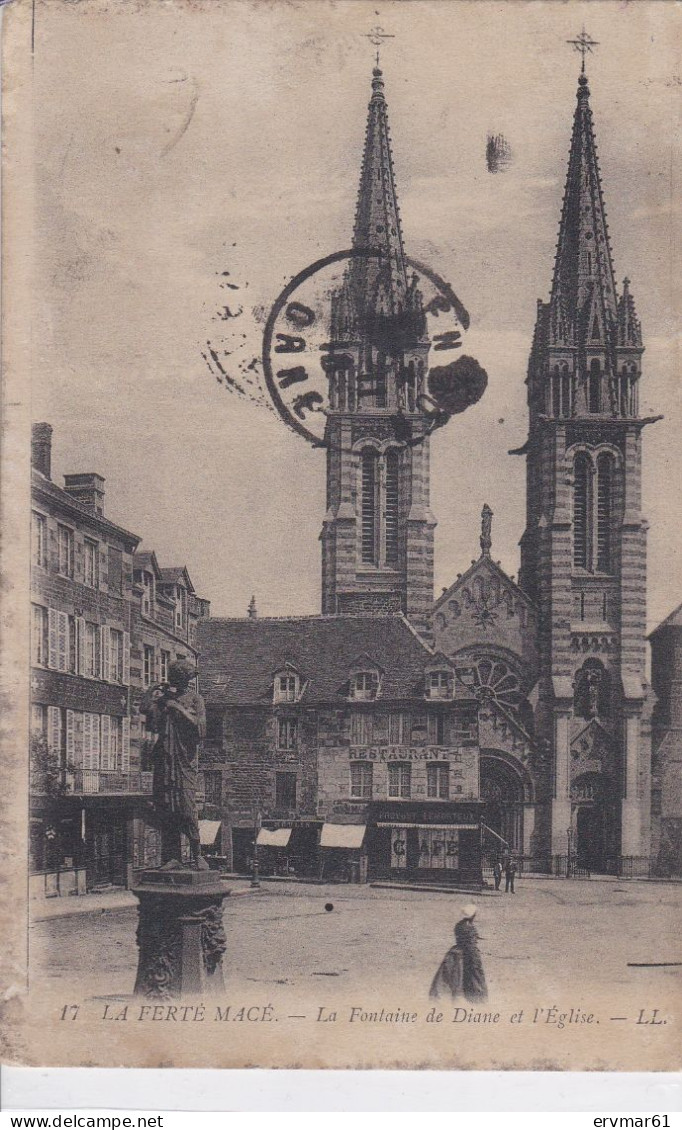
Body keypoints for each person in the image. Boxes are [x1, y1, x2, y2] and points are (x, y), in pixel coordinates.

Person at [141, 659, 207, 869]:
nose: (180, 681)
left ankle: (197, 855)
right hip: (165, 761)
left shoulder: (195, 700)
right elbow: (145, 712)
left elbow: (200, 729)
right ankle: (173, 857)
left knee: (187, 811)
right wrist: (152, 690)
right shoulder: (164, 701)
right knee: (167, 810)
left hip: (184, 762)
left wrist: (178, 708)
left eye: (182, 677)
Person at [429, 904, 488, 1003]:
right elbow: (470, 944)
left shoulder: (459, 925)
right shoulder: (470, 927)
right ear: (473, 916)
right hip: (468, 954)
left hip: (456, 952)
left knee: (453, 976)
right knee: (474, 977)